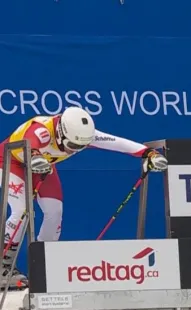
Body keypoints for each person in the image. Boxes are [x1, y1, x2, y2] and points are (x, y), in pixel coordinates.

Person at [0, 106, 168, 286]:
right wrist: (34, 156)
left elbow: (118, 143)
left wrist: (149, 153)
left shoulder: (80, 133)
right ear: (60, 132)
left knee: (54, 212)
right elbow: (30, 141)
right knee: (23, 210)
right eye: (72, 146)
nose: (74, 151)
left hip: (42, 164)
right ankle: (4, 266)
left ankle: (42, 265)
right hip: (12, 161)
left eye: (81, 147)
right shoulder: (42, 130)